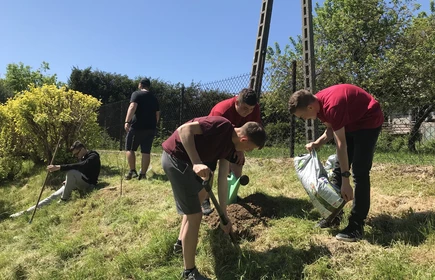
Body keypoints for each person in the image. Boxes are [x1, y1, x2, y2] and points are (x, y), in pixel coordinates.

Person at [161, 116, 266, 280]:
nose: (247, 152)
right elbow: (184, 130)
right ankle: (189, 272)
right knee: (195, 214)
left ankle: (181, 244)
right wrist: (196, 162)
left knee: (196, 204)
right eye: (250, 148)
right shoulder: (221, 126)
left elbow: (222, 180)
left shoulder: (230, 148)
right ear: (244, 139)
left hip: (190, 164)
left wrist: (223, 216)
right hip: (177, 159)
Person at [289, 84, 383, 242]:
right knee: (338, 171)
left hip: (368, 121)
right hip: (352, 122)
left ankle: (356, 226)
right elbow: (331, 129)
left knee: (359, 172)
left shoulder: (332, 106)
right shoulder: (319, 106)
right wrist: (317, 143)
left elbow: (341, 145)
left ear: (310, 107)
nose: (303, 120)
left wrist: (346, 181)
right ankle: (334, 215)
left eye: (302, 116)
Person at [201, 88, 262, 215]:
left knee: (238, 162)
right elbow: (216, 135)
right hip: (212, 140)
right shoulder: (221, 111)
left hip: (236, 140)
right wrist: (235, 148)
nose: (248, 112)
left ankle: (231, 196)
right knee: (209, 170)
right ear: (237, 102)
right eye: (245, 108)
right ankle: (204, 200)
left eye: (251, 109)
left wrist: (240, 150)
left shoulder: (254, 108)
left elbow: (252, 131)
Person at [10, 140, 101, 217]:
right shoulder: (83, 157)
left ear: (83, 149)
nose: (76, 156)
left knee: (71, 172)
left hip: (89, 185)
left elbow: (82, 166)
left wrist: (59, 167)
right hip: (80, 183)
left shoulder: (93, 156)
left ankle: (64, 200)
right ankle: (25, 213)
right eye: (75, 155)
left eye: (76, 154)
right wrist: (69, 181)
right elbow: (81, 171)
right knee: (53, 196)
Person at [124, 78, 160, 180]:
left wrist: (127, 121)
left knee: (130, 148)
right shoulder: (154, 98)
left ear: (140, 85)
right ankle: (143, 174)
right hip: (150, 128)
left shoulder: (137, 94)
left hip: (136, 126)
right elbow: (157, 114)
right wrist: (153, 124)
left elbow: (132, 106)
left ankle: (132, 171)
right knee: (146, 151)